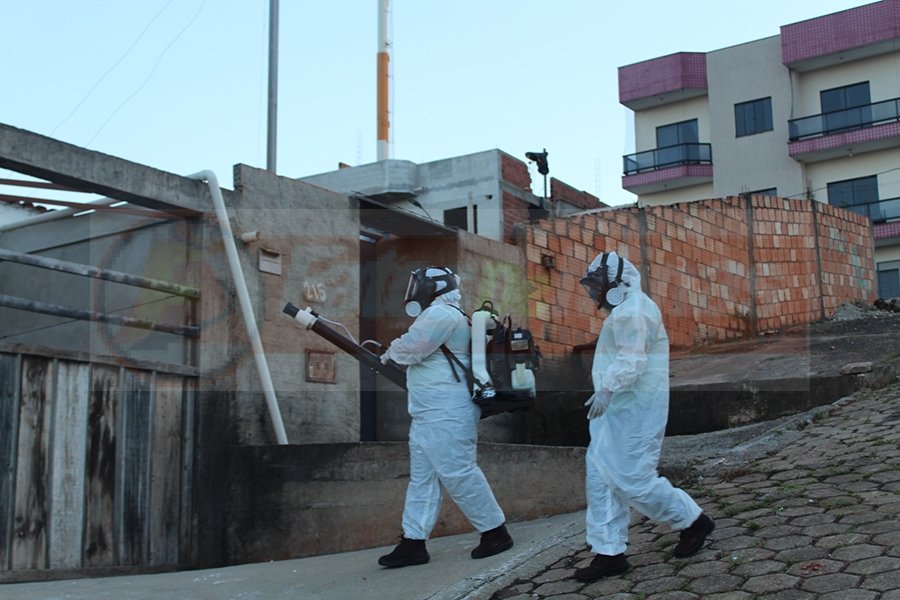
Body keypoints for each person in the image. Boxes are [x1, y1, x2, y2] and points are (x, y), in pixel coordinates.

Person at [574, 251, 714, 583]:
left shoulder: (633, 312)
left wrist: (607, 387)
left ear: (615, 284)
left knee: (633, 480)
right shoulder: (626, 309)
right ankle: (609, 552)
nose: (593, 293)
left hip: (635, 411)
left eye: (596, 285)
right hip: (616, 411)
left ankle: (693, 521)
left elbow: (632, 360)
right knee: (601, 476)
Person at [377, 266, 513, 568]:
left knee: (459, 472)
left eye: (418, 285)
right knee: (423, 480)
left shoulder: (440, 314)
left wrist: (390, 351)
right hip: (429, 414)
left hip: (445, 413)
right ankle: (413, 543)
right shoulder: (449, 314)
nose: (413, 292)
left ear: (432, 288)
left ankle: (495, 531)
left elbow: (411, 349)